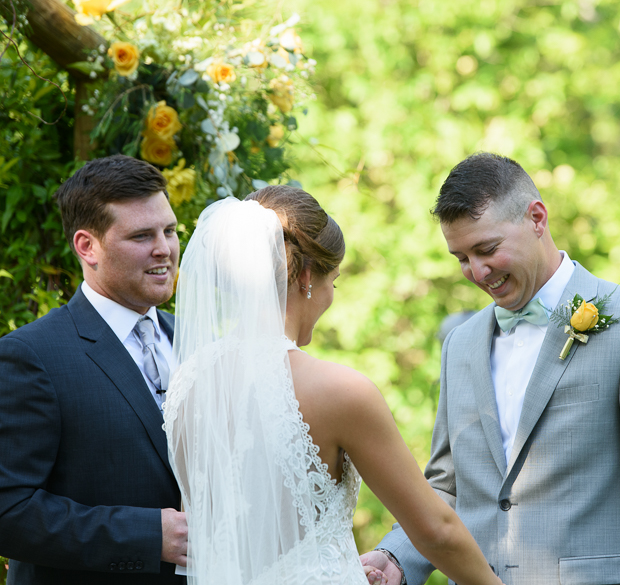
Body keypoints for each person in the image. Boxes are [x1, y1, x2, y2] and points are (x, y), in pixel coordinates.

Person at [361, 152, 620, 584]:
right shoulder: (460, 344)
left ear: (537, 218)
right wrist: (394, 557)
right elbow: (448, 487)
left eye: (487, 249)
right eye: (461, 258)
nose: (477, 271)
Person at [164, 186, 503, 585]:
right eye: (334, 282)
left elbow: (224, 540)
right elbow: (436, 530)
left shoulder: (188, 384)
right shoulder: (341, 392)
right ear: (307, 276)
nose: (330, 297)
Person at [0, 155, 188, 584]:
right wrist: (145, 535)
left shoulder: (195, 342)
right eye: (142, 235)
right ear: (88, 246)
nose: (165, 248)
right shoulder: (30, 356)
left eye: (170, 230)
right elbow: (7, 510)